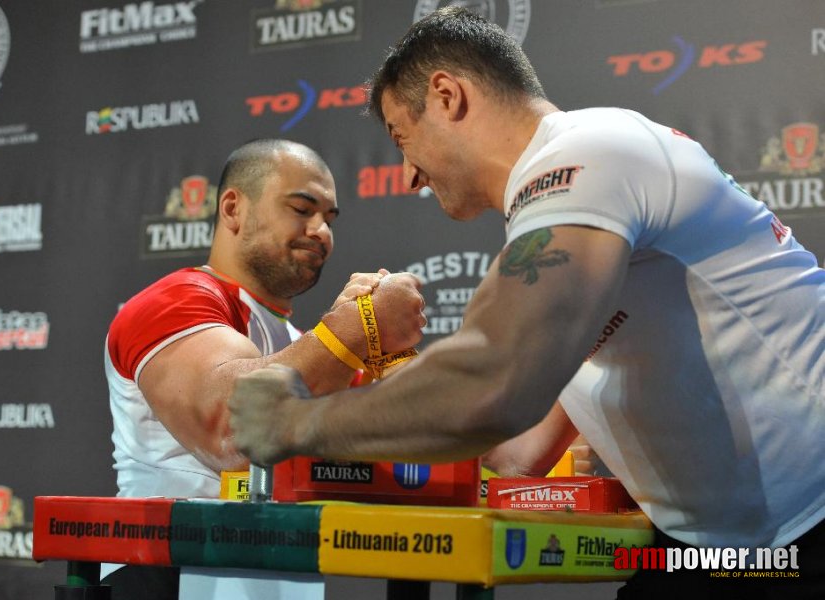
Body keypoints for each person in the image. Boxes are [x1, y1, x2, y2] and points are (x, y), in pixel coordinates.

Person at [227, 8, 824, 599]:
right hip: (717, 550)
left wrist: (297, 420)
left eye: (401, 138)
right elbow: (515, 455)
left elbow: (493, 385)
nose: (409, 175)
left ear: (446, 95)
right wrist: (391, 370)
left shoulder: (587, 157)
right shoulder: (564, 208)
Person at [102, 138, 425, 599]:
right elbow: (234, 431)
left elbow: (397, 457)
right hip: (164, 577)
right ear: (233, 208)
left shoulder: (301, 350)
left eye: (329, 219)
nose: (321, 231)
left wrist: (390, 356)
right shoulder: (172, 302)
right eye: (301, 208)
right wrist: (357, 327)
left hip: (276, 580)